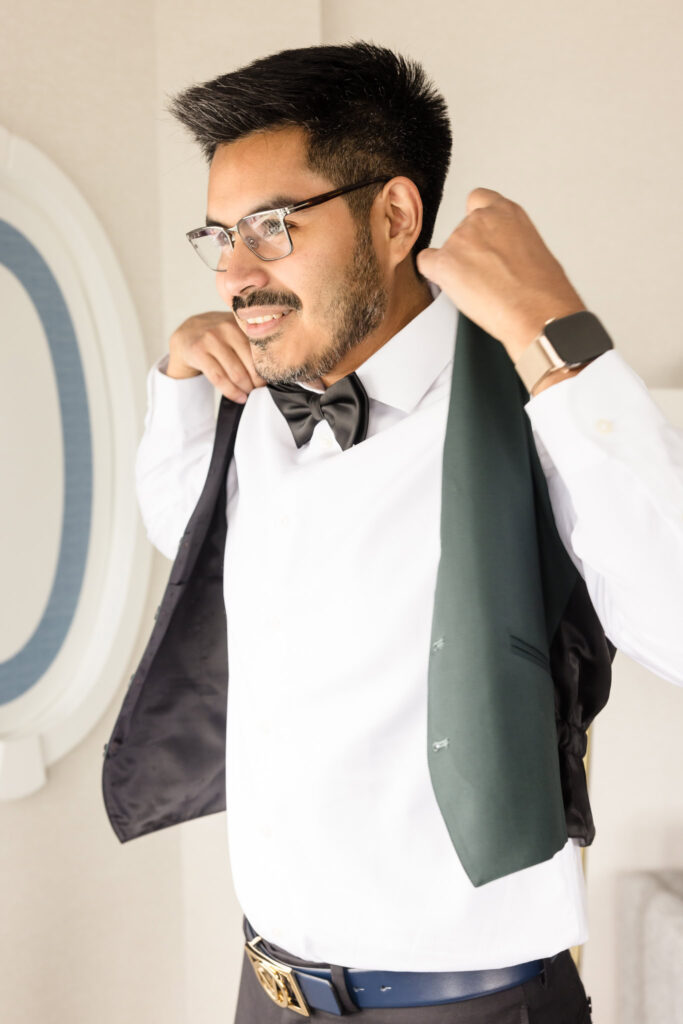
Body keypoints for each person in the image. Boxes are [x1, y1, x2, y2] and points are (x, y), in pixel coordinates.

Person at [106, 42, 683, 1022]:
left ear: (394, 215)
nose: (235, 273)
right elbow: (188, 537)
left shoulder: (532, 410)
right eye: (220, 237)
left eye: (272, 229)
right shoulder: (261, 410)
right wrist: (176, 383)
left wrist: (556, 332)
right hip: (263, 990)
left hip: (470, 1007)